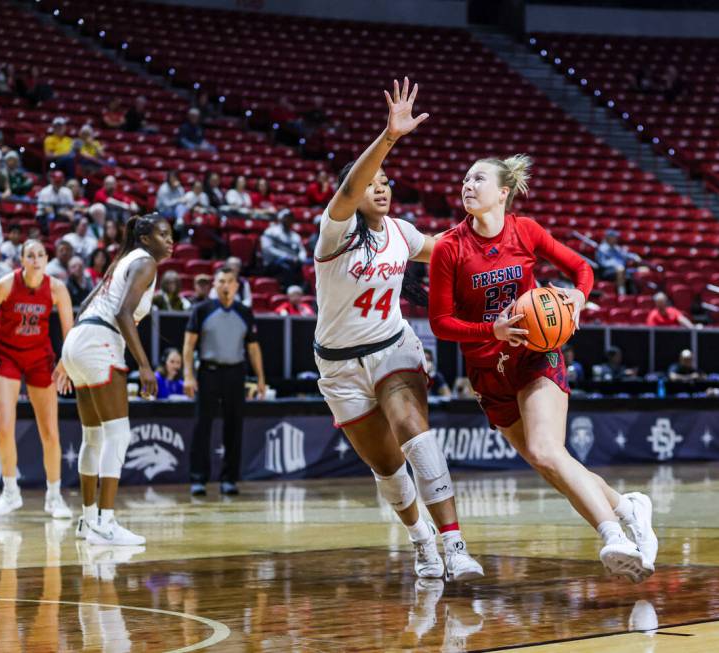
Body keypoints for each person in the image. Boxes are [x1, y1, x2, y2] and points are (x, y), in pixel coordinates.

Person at [429, 152, 656, 583]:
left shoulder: (526, 230)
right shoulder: (448, 247)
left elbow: (582, 269)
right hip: (488, 370)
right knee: (547, 460)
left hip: (536, 355)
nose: (467, 185)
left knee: (546, 449)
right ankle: (629, 508)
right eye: (465, 179)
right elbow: (440, 324)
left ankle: (613, 536)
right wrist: (490, 329)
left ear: (503, 193)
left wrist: (578, 298)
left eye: (478, 179)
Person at [314, 78, 482, 581]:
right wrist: (389, 136)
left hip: (393, 348)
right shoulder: (334, 231)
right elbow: (348, 188)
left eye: (386, 180)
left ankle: (454, 546)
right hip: (340, 365)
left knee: (414, 431)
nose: (381, 186)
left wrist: (499, 240)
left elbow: (453, 252)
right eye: (372, 181)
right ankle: (421, 542)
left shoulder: (401, 232)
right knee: (387, 469)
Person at [60, 214, 173, 545]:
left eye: (171, 235)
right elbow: (124, 313)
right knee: (118, 434)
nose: (170, 241)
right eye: (163, 235)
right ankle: (106, 522)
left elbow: (83, 305)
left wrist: (65, 359)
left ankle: (88, 520)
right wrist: (145, 365)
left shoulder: (121, 261)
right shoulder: (146, 263)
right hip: (100, 342)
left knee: (92, 437)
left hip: (78, 340)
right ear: (146, 239)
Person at [0, 239, 74, 518]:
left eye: (40, 255)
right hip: (7, 355)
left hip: (39, 358)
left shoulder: (57, 288)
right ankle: (10, 492)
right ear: (22, 260)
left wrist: (66, 364)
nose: (36, 259)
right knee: (4, 427)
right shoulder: (5, 285)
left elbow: (70, 330)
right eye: (30, 255)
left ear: (46, 259)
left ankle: (54, 496)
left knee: (50, 430)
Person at [183, 266, 266, 496]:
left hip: (235, 373)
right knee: (202, 427)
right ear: (215, 285)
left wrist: (261, 378)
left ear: (237, 286)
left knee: (234, 427)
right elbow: (188, 345)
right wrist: (188, 376)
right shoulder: (201, 310)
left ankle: (229, 479)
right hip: (208, 373)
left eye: (230, 281)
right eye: (221, 281)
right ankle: (198, 479)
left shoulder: (244, 312)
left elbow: (253, 347)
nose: (226, 285)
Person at [260, 209, 306, 289]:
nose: (289, 220)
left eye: (291, 218)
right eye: (286, 217)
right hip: (273, 262)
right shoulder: (270, 231)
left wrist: (301, 258)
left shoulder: (295, 235)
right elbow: (267, 249)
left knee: (306, 266)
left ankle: (302, 290)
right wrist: (287, 257)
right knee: (286, 267)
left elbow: (302, 250)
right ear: (280, 218)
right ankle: (288, 289)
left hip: (293, 262)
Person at [596, 230, 640, 296]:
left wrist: (635, 257)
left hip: (621, 269)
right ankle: (621, 293)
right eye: (614, 237)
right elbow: (602, 263)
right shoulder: (602, 249)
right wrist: (615, 265)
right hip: (607, 272)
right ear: (609, 238)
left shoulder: (616, 248)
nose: (616, 239)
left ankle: (635, 294)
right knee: (620, 269)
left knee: (643, 269)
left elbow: (625, 255)